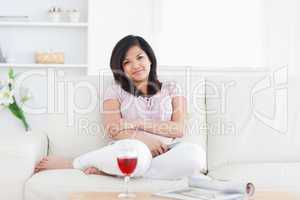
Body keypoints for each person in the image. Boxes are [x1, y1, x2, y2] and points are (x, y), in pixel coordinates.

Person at [35, 35, 206, 179]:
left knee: (195, 156)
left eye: (140, 57)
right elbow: (113, 128)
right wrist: (144, 140)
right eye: (127, 62)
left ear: (150, 59)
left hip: (166, 153)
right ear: (121, 68)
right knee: (137, 153)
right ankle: (76, 163)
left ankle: (114, 172)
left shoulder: (172, 88)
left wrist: (136, 122)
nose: (136, 65)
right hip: (131, 149)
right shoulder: (115, 91)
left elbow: (179, 129)